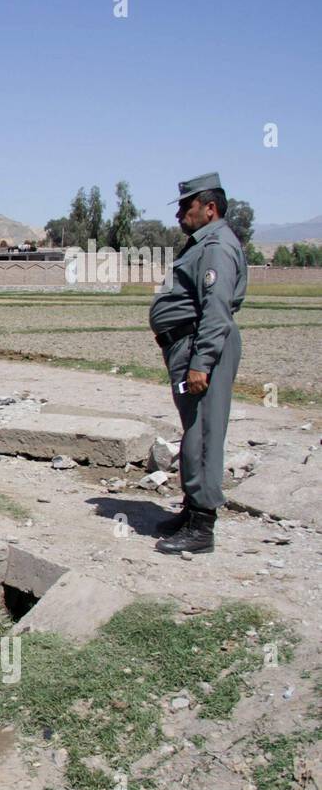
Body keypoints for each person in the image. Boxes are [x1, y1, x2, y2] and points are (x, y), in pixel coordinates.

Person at [149, 173, 246, 555]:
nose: (178, 213)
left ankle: (203, 526)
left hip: (199, 349)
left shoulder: (217, 246)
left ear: (209, 208)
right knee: (194, 428)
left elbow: (216, 310)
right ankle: (192, 511)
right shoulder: (202, 244)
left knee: (202, 434)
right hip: (186, 347)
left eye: (185, 206)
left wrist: (201, 363)